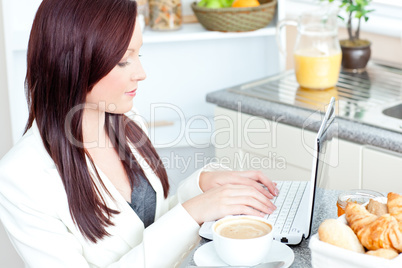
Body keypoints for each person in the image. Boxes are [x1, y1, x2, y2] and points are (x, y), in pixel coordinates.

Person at [0, 0, 278, 267]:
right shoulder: (20, 178)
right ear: (73, 63)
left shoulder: (128, 123)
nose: (141, 73)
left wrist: (202, 187)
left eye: (139, 54)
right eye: (124, 61)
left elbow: (146, 225)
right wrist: (194, 212)